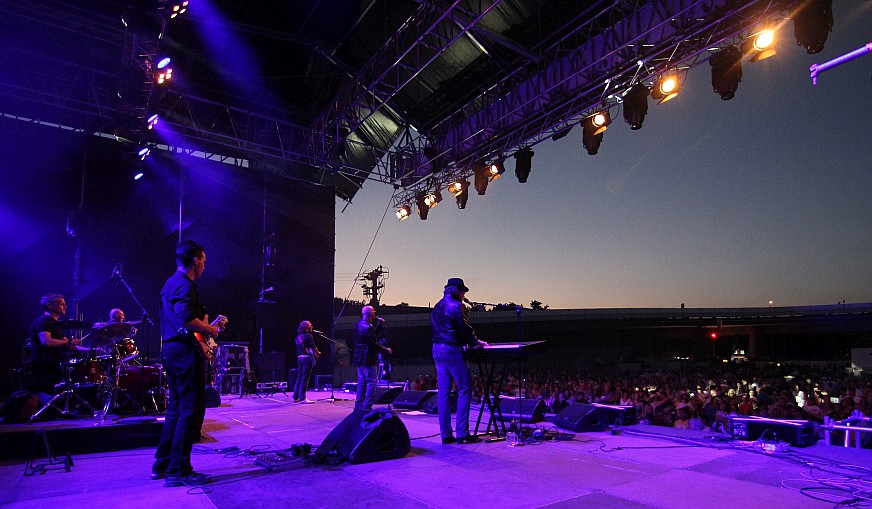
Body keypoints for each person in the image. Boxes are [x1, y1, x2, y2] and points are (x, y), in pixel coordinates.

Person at [152, 240, 225, 487]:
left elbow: (180, 320)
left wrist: (204, 328)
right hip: (184, 353)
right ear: (196, 260)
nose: (205, 266)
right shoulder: (185, 285)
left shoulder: (170, 283)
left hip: (172, 350)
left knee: (175, 409)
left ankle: (162, 465)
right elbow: (185, 319)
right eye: (204, 261)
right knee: (189, 411)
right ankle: (179, 471)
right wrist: (211, 329)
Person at [431, 277, 488, 444]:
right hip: (452, 350)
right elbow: (464, 328)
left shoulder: (437, 306)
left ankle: (446, 434)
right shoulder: (457, 306)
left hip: (437, 349)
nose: (464, 294)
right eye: (462, 291)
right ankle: (462, 432)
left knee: (443, 393)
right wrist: (475, 342)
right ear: (455, 290)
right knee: (464, 389)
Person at [26, 294, 88, 400]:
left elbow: (68, 345)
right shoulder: (44, 321)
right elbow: (46, 342)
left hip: (52, 363)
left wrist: (92, 350)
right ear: (50, 305)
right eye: (62, 304)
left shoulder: (55, 324)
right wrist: (68, 341)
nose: (65, 307)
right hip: (44, 364)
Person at [352, 305, 391, 411]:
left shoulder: (359, 325)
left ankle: (359, 404)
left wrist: (378, 325)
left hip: (358, 358)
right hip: (367, 358)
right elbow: (374, 343)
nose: (375, 315)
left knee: (361, 381)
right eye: (374, 313)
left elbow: (370, 336)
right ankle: (367, 405)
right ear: (370, 314)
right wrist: (386, 350)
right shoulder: (368, 327)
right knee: (372, 381)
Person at [293, 320, 320, 404]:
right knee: (305, 378)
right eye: (310, 325)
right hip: (307, 358)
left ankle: (295, 397)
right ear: (308, 327)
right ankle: (302, 398)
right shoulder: (308, 336)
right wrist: (318, 353)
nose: (312, 326)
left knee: (299, 377)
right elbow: (313, 346)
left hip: (299, 358)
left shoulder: (298, 337)